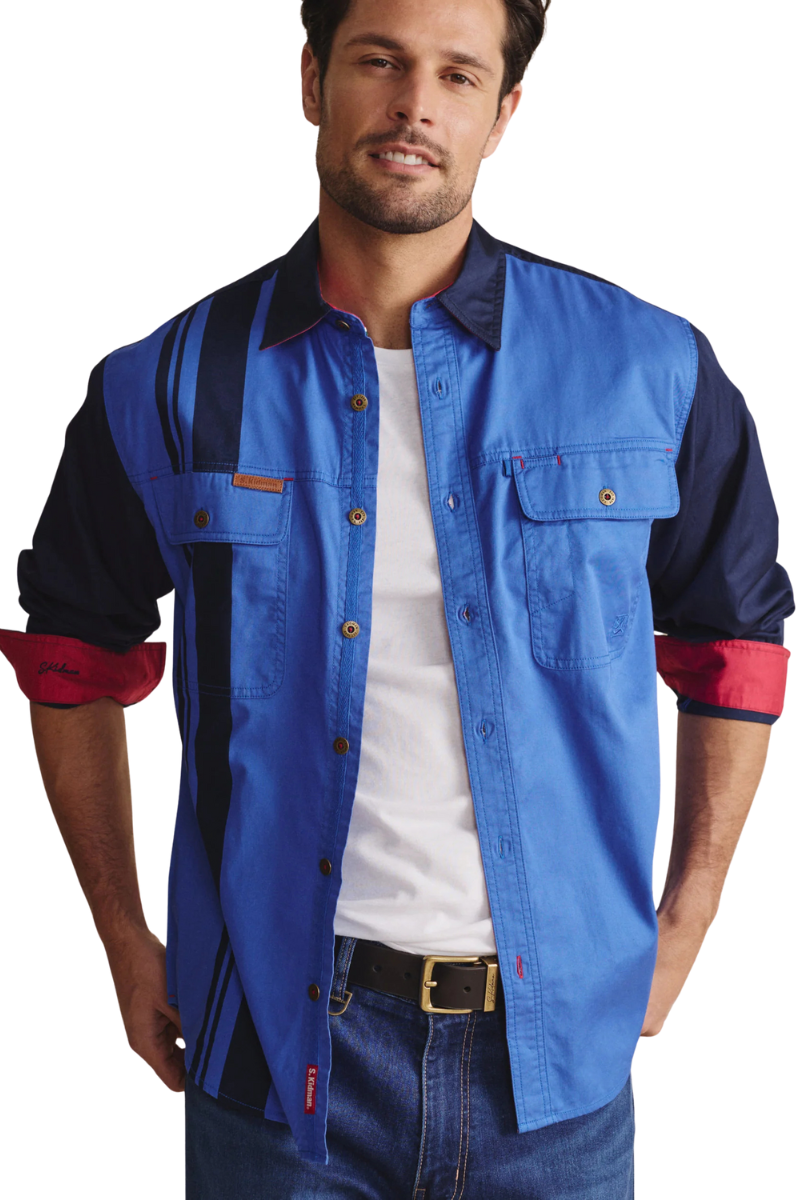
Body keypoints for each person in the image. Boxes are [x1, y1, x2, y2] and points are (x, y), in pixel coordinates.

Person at [0, 0, 794, 1195]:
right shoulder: (164, 384)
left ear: (501, 113)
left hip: (555, 1069)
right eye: (378, 60)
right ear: (312, 79)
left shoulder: (647, 367)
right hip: (271, 1056)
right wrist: (121, 934)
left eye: (457, 75)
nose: (415, 105)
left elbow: (732, 639)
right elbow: (70, 654)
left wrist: (689, 915)